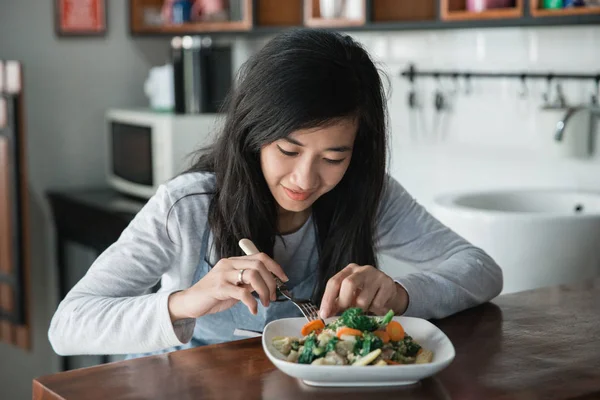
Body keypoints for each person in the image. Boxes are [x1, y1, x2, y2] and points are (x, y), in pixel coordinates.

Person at [48, 28, 502, 358]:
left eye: (333, 157)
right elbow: (68, 327)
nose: (305, 179)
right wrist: (190, 300)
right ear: (253, 134)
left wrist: (399, 294)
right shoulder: (185, 207)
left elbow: (481, 269)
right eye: (288, 149)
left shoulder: (367, 195)